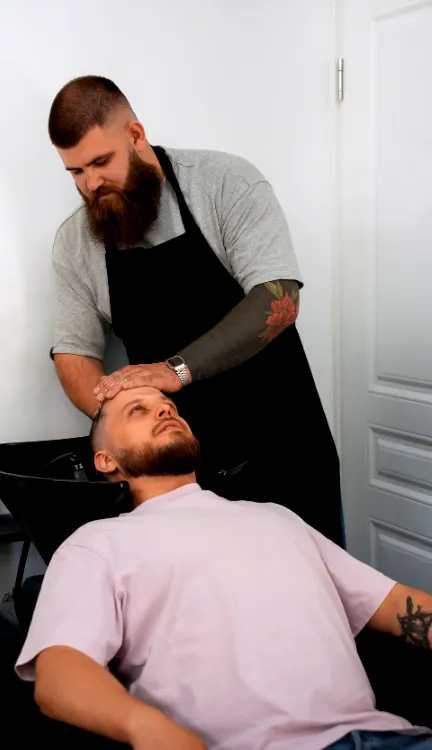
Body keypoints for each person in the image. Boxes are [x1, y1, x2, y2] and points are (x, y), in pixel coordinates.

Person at [16, 386, 432, 750]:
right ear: (106, 460)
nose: (164, 410)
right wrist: (144, 726)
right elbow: (60, 673)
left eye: (168, 406)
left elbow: (395, 604)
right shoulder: (97, 543)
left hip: (393, 736)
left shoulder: (275, 517)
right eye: (137, 410)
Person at [47, 75, 343, 545]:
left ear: (136, 135)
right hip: (181, 481)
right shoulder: (75, 242)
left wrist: (175, 371)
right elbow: (73, 354)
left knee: (316, 587)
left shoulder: (224, 183)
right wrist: (125, 421)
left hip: (285, 452)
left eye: (101, 162)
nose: (92, 184)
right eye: (76, 172)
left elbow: (279, 298)